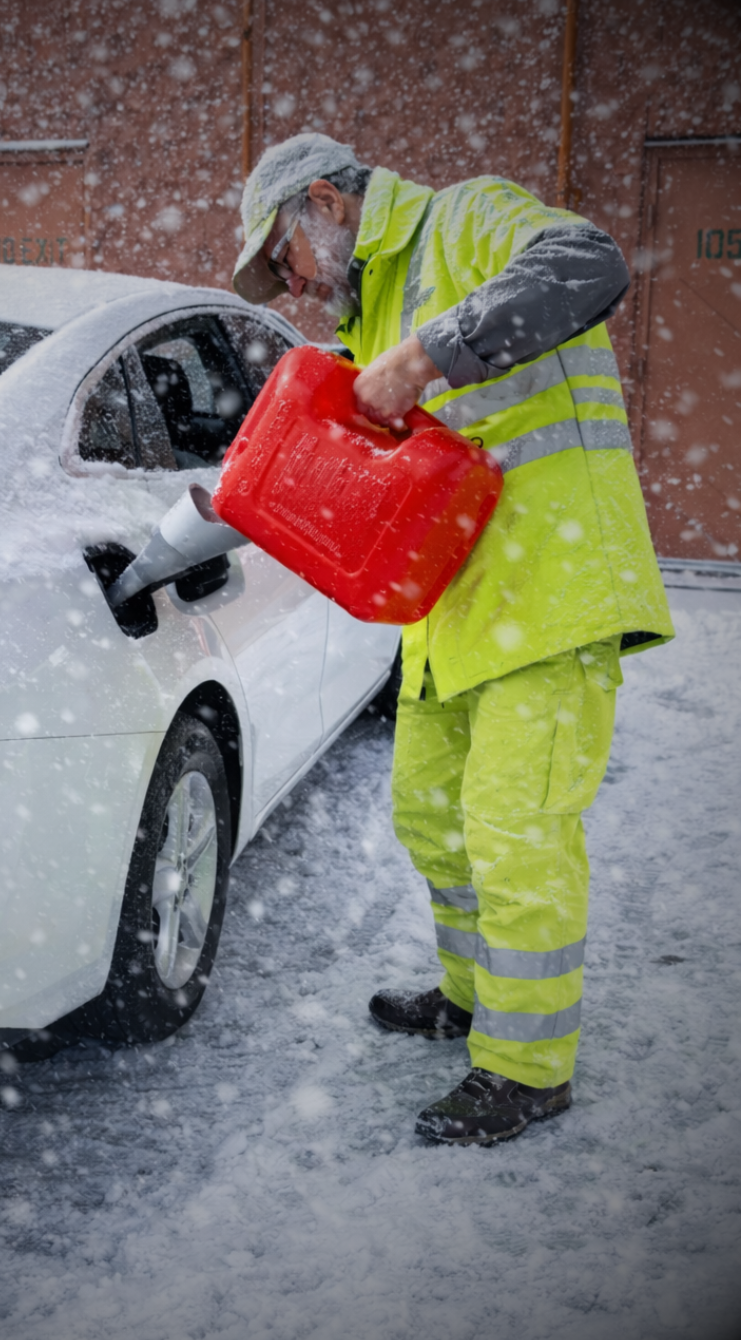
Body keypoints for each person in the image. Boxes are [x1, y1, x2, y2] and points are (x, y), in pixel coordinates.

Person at [232, 133, 674, 1146]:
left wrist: (422, 357)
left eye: (286, 258)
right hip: (458, 612)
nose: (293, 285)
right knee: (433, 815)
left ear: (329, 206)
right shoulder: (377, 299)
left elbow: (588, 264)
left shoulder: (465, 217)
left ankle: (525, 1067)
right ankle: (477, 998)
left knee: (516, 827)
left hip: (550, 588)